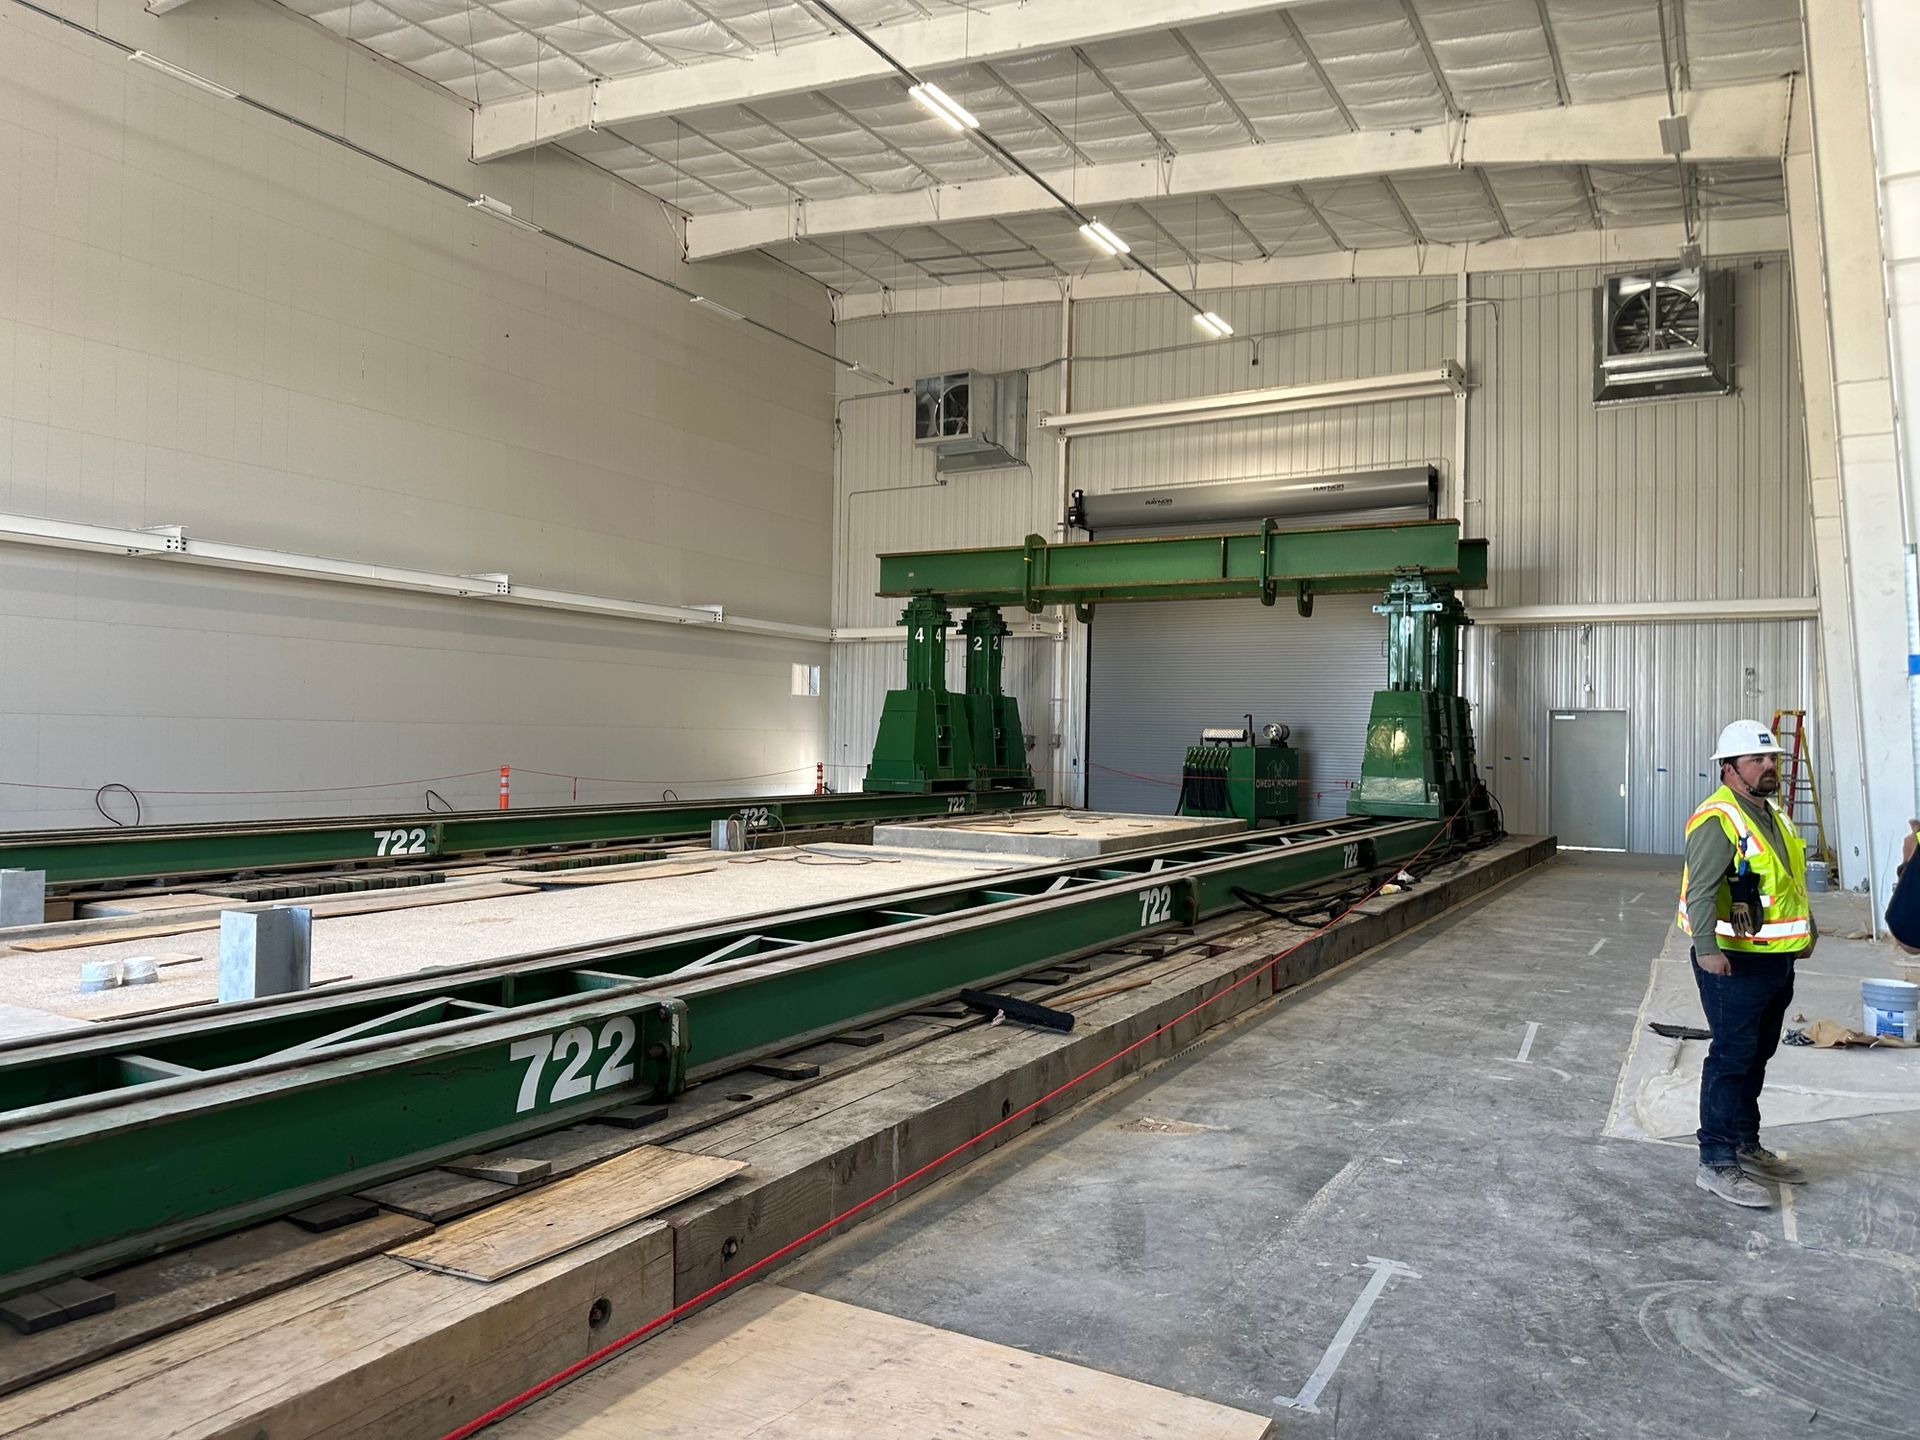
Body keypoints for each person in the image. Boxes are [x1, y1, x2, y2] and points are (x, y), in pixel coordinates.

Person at [1677, 719, 1816, 1209]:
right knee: (1731, 1057)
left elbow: (1789, 882)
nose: (1769, 766)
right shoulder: (1718, 819)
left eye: (1772, 758)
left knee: (1758, 1054)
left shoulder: (1774, 814)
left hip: (1775, 960)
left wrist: (1807, 932)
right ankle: (1716, 1160)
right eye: (1757, 760)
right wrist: (1706, 949)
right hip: (1732, 962)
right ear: (1729, 769)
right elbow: (1699, 890)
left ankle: (1744, 1143)